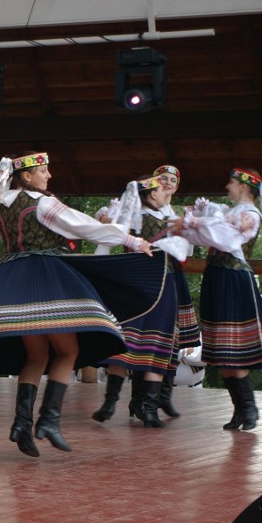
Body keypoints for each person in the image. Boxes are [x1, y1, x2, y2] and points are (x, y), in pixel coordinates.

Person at [0, 152, 161, 458]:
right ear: (27, 177)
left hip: (14, 279)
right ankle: (49, 420)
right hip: (45, 277)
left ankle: (22, 422)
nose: (49, 176)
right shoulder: (43, 203)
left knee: (36, 356)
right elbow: (84, 226)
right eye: (44, 171)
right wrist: (132, 241)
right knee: (68, 351)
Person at [169, 167, 262, 431]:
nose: (227, 187)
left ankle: (248, 408)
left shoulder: (249, 215)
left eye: (231, 183)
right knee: (222, 353)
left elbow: (224, 239)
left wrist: (194, 223)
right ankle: (240, 409)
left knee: (232, 351)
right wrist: (186, 228)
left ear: (244, 187)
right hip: (217, 277)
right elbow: (208, 235)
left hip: (234, 280)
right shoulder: (229, 213)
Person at [91, 176, 189, 428]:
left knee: (128, 344)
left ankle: (117, 403)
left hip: (137, 287)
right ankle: (143, 407)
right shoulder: (148, 219)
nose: (163, 190)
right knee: (149, 344)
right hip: (156, 287)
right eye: (159, 188)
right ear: (151, 195)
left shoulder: (134, 218)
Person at [152, 164, 201, 417]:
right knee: (149, 335)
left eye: (172, 180)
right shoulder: (145, 208)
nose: (167, 182)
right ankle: (143, 397)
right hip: (151, 274)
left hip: (172, 274)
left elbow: (187, 252)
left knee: (173, 336)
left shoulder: (179, 212)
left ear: (177, 186)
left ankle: (164, 395)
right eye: (163, 178)